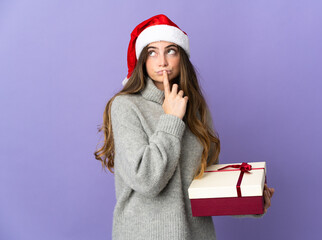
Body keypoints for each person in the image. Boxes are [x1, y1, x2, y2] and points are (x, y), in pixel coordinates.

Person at [94, 14, 274, 240]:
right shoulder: (125, 106)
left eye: (171, 50)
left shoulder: (195, 108)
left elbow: (206, 187)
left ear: (182, 57)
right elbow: (147, 180)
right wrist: (171, 120)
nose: (162, 61)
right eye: (152, 52)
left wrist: (252, 201)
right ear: (142, 59)